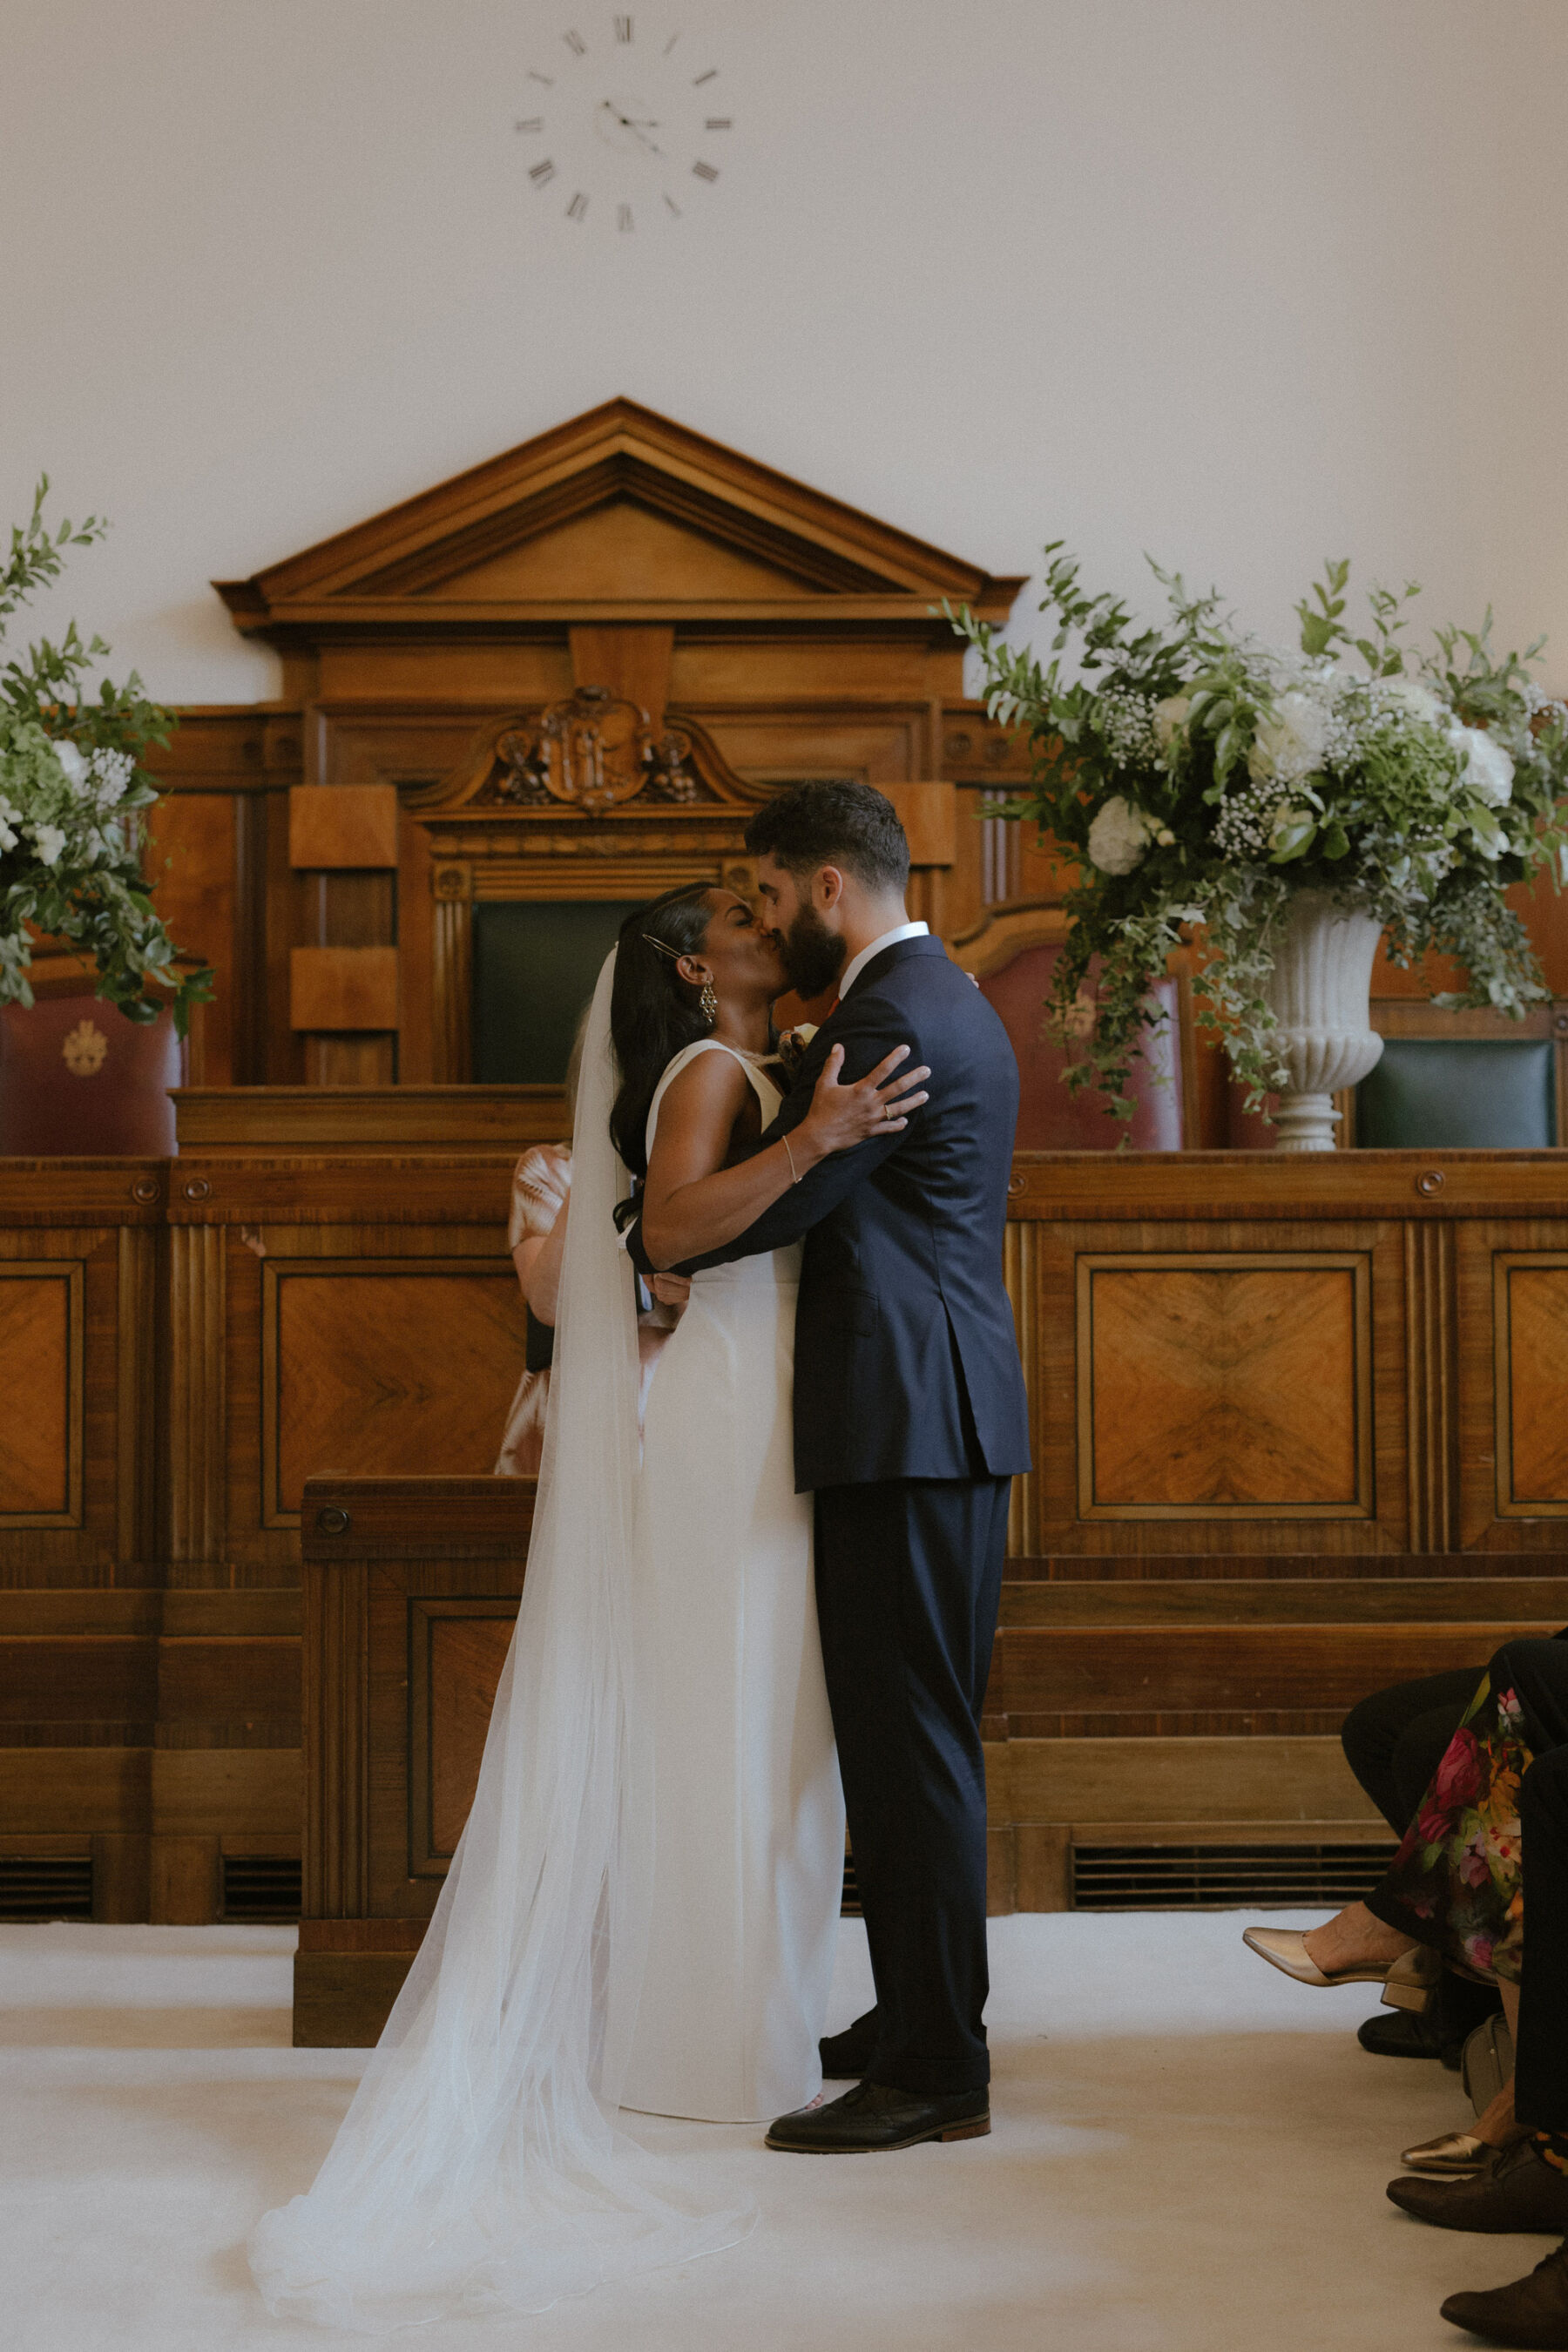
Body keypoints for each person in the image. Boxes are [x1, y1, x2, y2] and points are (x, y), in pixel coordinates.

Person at [248, 884, 925, 2328]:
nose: (766, 920)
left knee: (764, 1731)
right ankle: (702, 2052)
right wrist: (815, 1137)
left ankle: (739, 2030)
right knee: (729, 1728)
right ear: (696, 966)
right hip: (731, 1419)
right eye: (741, 914)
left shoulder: (750, 1063)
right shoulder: (702, 1074)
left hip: (757, 1406)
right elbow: (670, 1242)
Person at [625, 781, 1031, 2156]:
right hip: (939, 1411)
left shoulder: (882, 1019)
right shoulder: (939, 994)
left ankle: (937, 2068)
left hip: (909, 1420)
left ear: (827, 891)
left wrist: (758, 1154)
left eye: (768, 892)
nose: (763, 916)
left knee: (911, 1749)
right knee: (914, 1741)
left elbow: (762, 1213)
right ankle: (923, 2013)